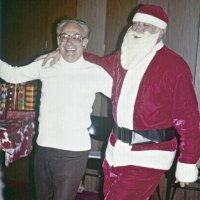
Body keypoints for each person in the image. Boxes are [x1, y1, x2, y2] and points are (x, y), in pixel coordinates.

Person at [40, 4, 200, 200]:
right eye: (136, 24)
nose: (138, 28)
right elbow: (97, 62)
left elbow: (189, 119)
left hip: (150, 155)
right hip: (116, 151)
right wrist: (67, 53)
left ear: (160, 31)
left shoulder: (174, 66)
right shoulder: (123, 57)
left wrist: (188, 161)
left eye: (146, 25)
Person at [0, 19, 112, 200]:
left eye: (76, 37)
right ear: (58, 40)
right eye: (64, 36)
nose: (69, 42)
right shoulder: (46, 64)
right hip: (43, 148)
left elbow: (120, 96)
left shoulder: (95, 72)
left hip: (73, 152)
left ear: (85, 42)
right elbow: (13, 75)